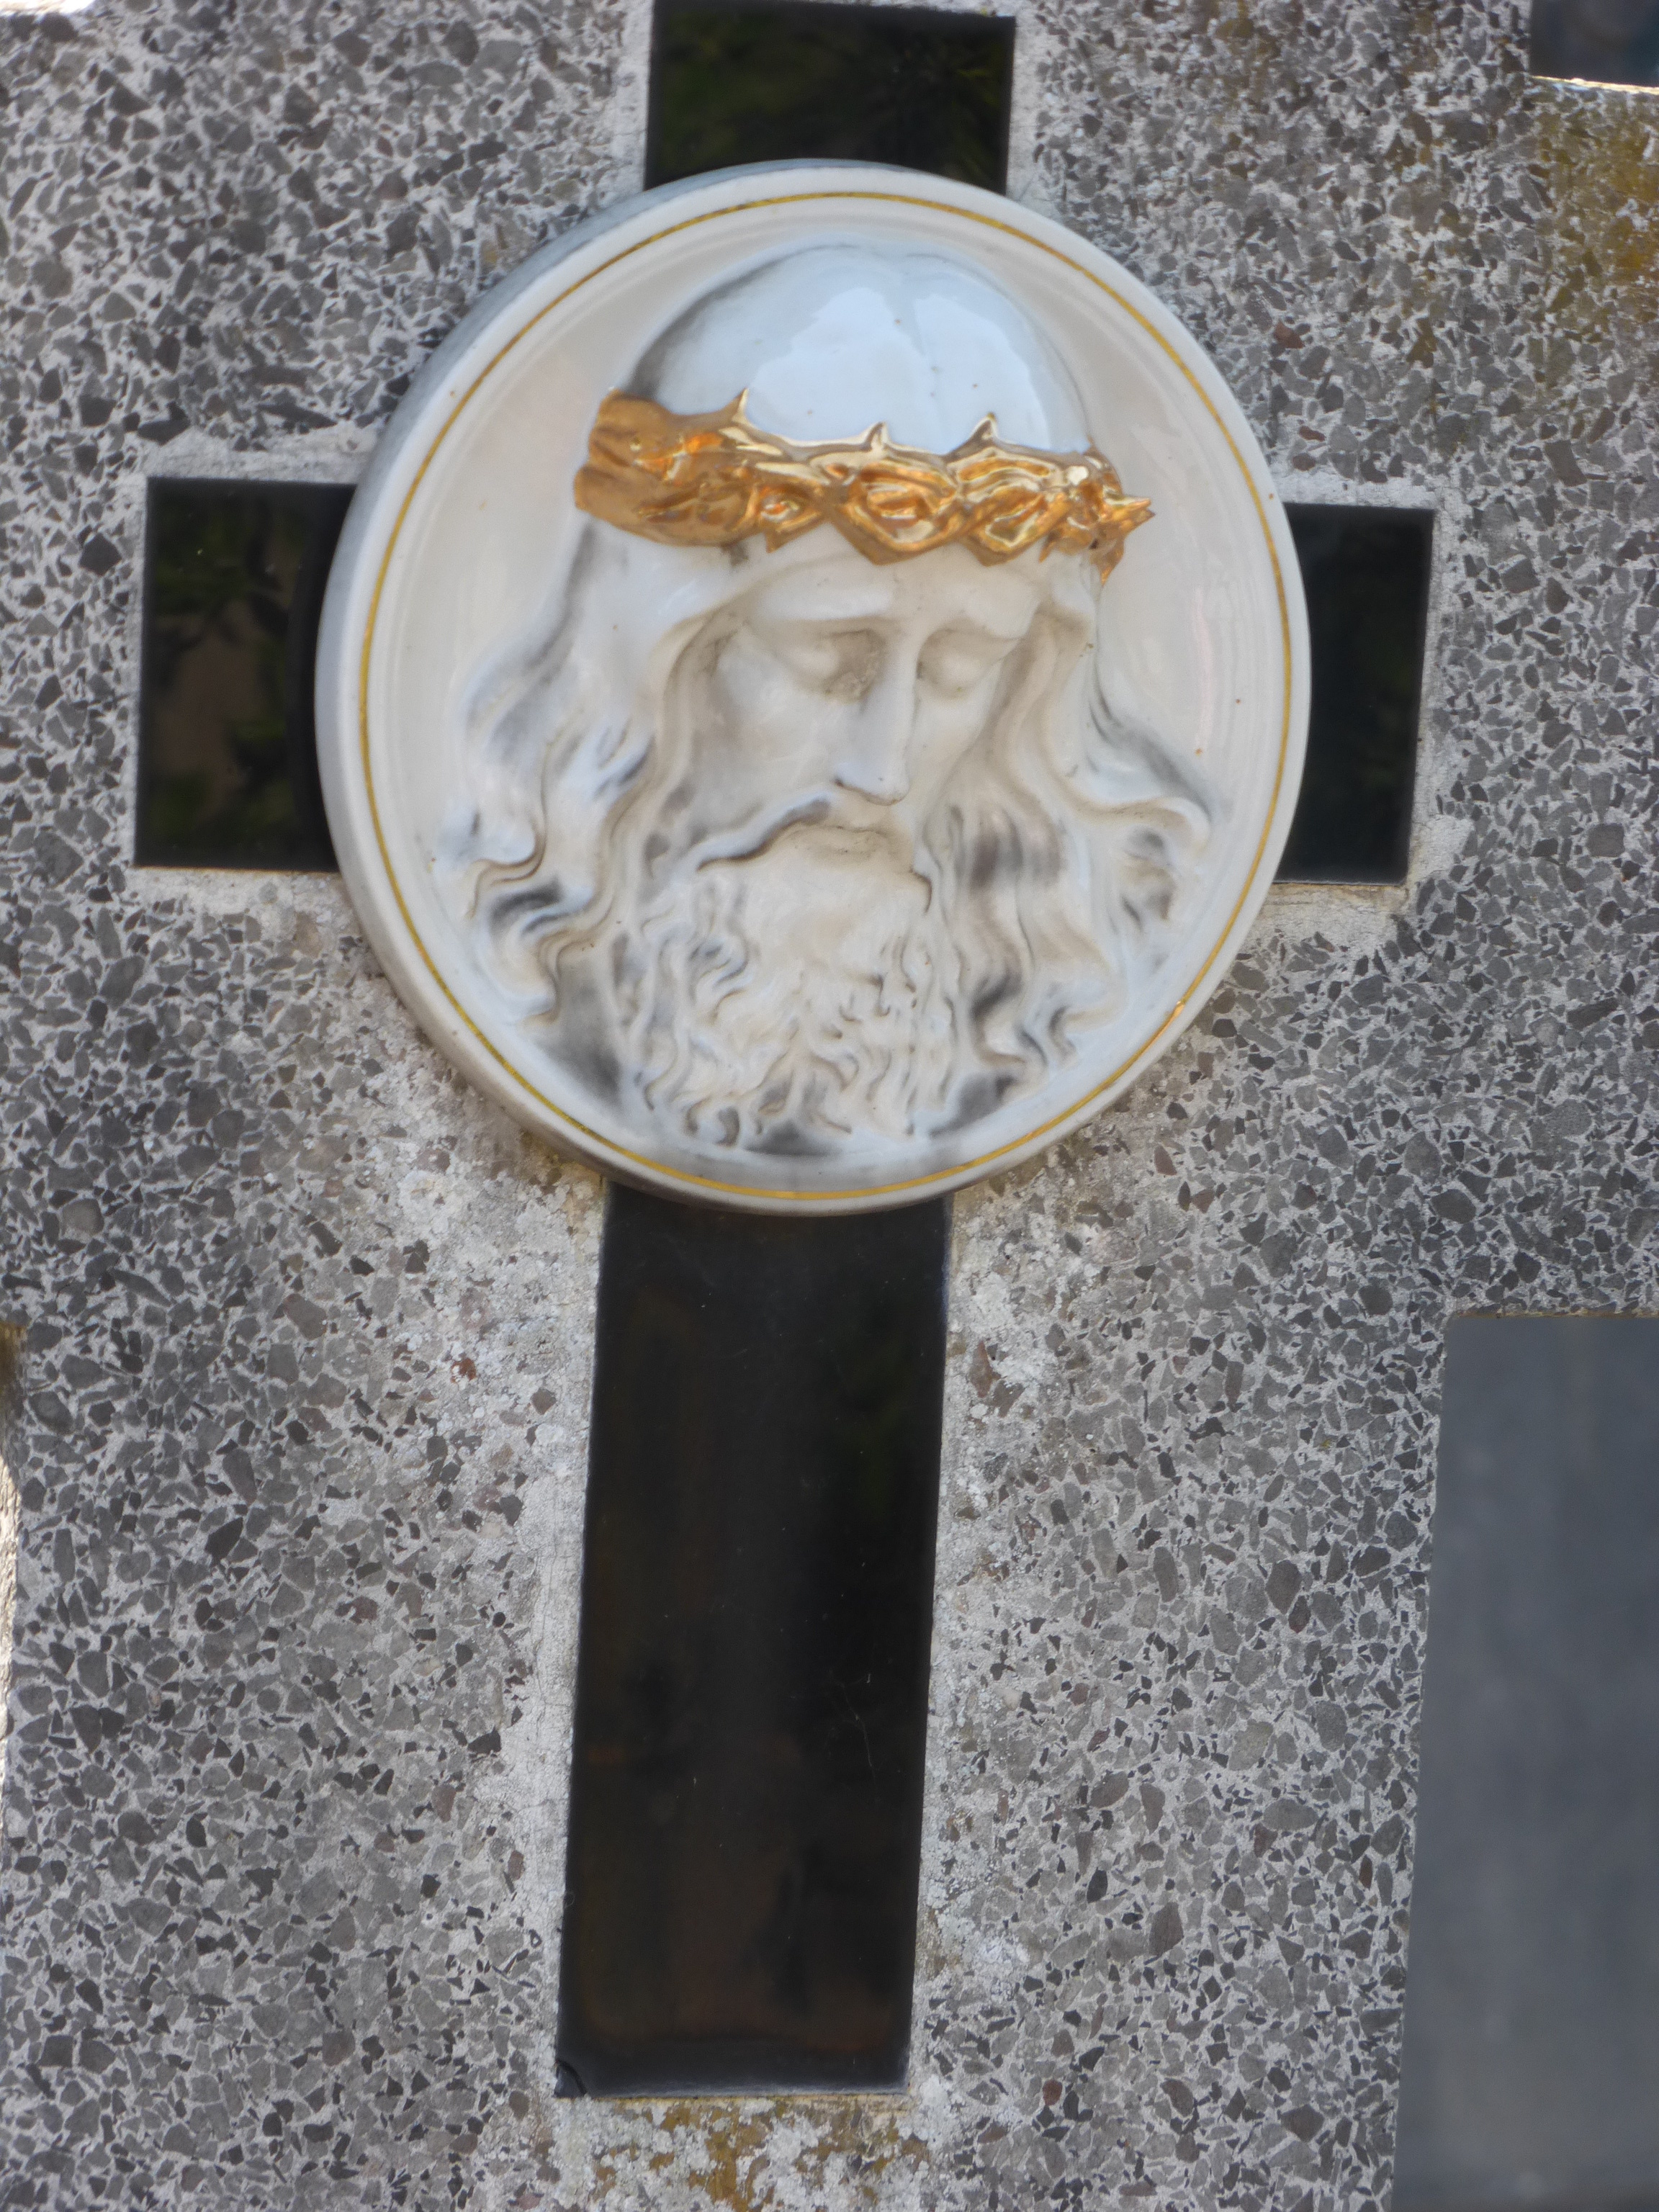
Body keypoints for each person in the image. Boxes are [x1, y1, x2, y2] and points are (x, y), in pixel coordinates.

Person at [439, 242, 1210, 1160]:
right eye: (828, 661)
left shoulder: (1052, 1012)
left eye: (959, 672)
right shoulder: (501, 960)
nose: (882, 771)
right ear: (651, 648)